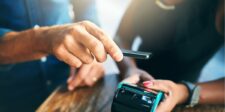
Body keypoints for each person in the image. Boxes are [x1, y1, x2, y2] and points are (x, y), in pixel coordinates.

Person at [0, 0, 123, 112]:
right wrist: (44, 39)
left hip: (72, 80)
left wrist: (91, 42)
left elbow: (86, 5)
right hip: (13, 94)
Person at [115, 0, 224, 111]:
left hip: (186, 98)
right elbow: (122, 36)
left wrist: (182, 92)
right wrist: (129, 68)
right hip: (132, 82)